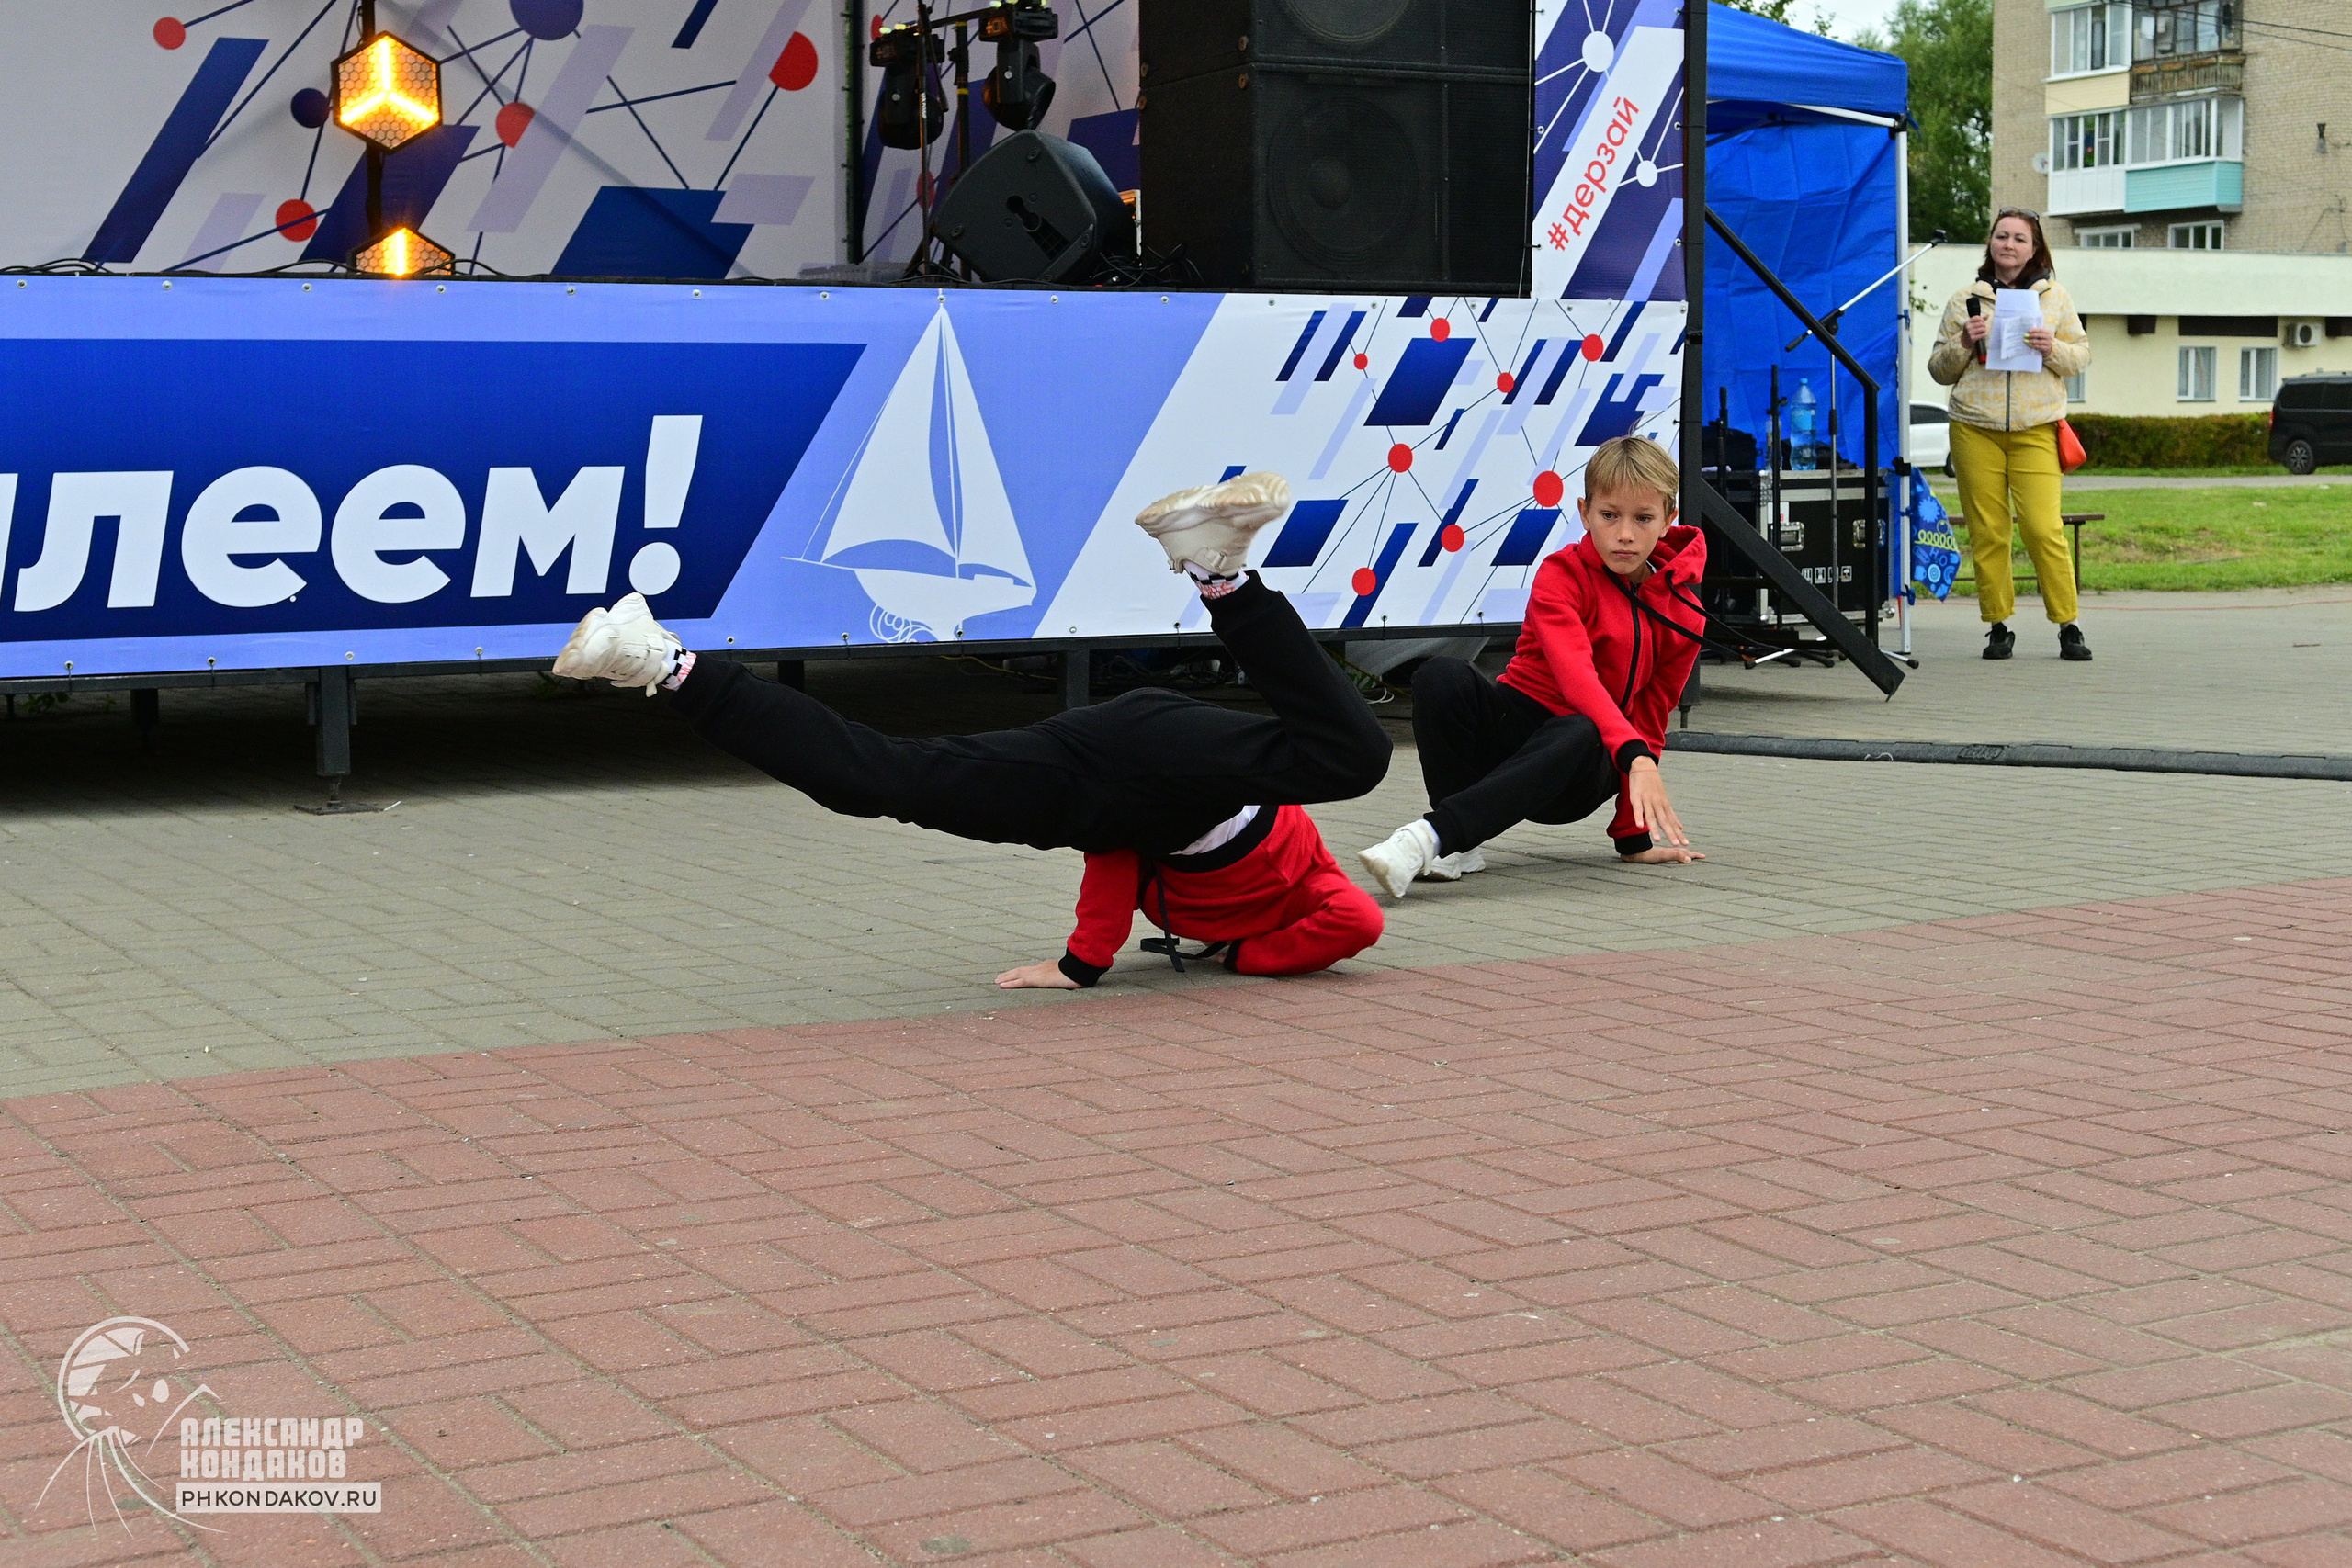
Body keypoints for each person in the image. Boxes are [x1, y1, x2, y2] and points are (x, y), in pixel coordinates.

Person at [550, 473, 1388, 989]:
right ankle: (660, 661)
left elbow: (1123, 854)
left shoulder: (1287, 871)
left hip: (1161, 748)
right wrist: (1191, 959)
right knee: (884, 777)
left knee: (1354, 758)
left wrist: (1097, 958)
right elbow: (1356, 921)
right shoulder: (1291, 897)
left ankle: (1218, 575)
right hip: (1162, 787)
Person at [1358, 434, 1706, 897]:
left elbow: (1651, 715)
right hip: (1518, 734)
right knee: (1440, 675)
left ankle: (1431, 839)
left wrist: (1633, 837)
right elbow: (1575, 675)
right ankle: (1458, 847)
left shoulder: (1685, 613)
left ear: (1668, 520)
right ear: (1584, 512)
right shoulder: (1560, 574)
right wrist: (1635, 754)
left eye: (1643, 518)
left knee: (1582, 727)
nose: (1625, 534)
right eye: (1609, 515)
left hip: (1580, 768)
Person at [1928, 208, 2095, 662]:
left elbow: (2081, 356)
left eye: (2020, 238)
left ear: (2035, 248)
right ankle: (1998, 625)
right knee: (1989, 531)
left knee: (2043, 529)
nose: (2009, 245)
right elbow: (1939, 369)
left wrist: (2052, 348)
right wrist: (1963, 342)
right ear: (1991, 243)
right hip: (1974, 427)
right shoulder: (1965, 299)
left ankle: (2068, 624)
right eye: (2002, 236)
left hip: (2036, 427)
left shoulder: (2055, 297)